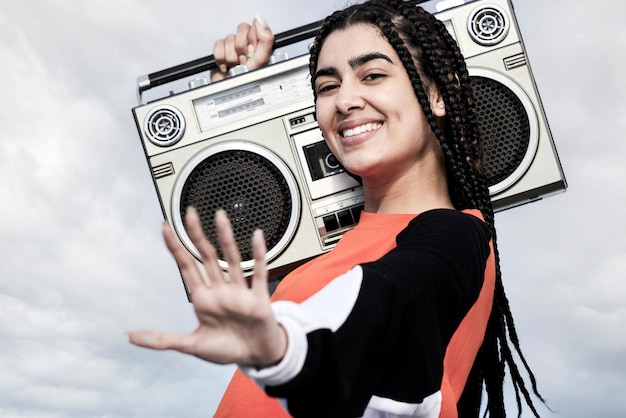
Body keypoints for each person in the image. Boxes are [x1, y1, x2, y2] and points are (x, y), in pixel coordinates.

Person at [128, 1, 546, 416]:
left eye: (373, 75)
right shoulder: (314, 266)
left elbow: (386, 302)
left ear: (439, 91)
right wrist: (235, 96)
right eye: (328, 86)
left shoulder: (455, 237)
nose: (345, 100)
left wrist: (288, 351)